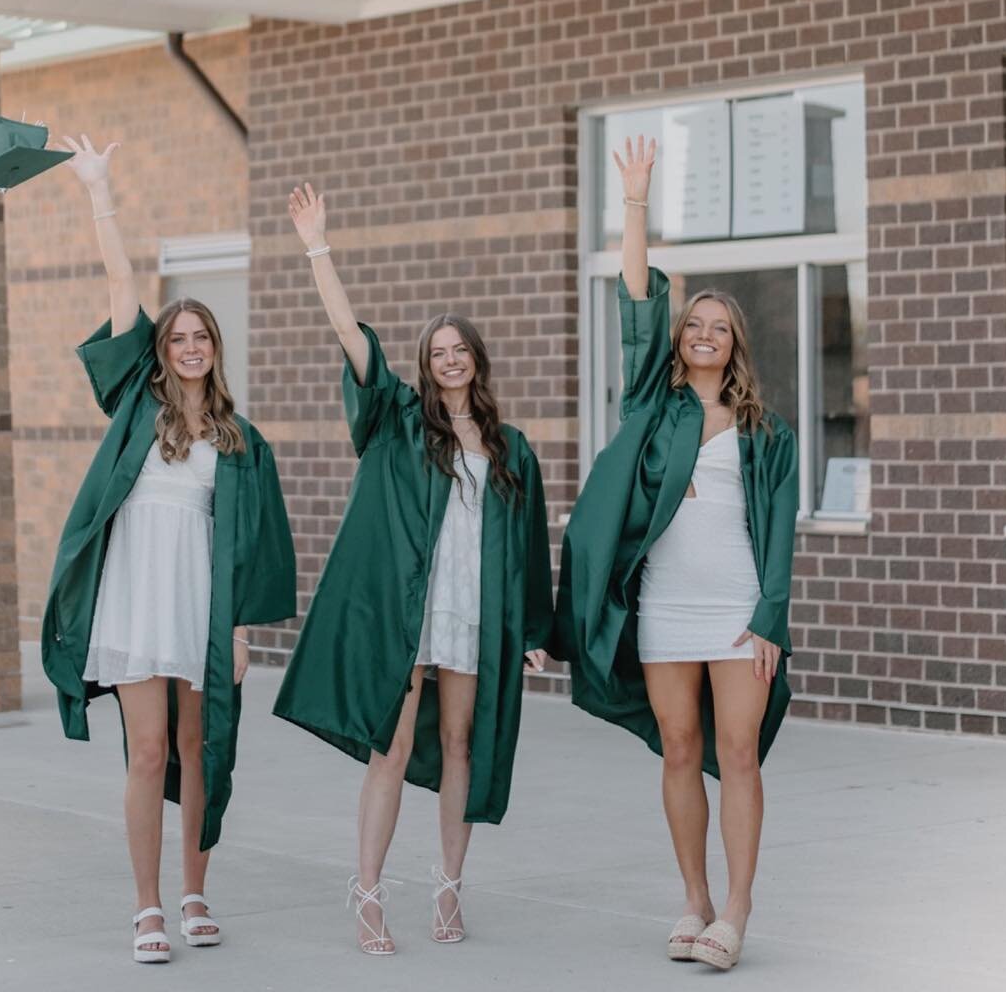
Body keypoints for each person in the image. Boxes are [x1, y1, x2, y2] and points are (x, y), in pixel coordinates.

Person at [274, 183, 554, 955]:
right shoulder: (396, 419)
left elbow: (529, 543)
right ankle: (367, 892)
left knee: (463, 744)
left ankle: (449, 891)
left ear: (477, 360)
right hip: (411, 609)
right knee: (391, 748)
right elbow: (349, 335)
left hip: (476, 609)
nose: (450, 360)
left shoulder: (511, 449)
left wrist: (532, 625)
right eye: (437, 353)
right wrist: (318, 246)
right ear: (426, 368)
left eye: (459, 349)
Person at [41, 135, 296, 964]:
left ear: (215, 350)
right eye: (178, 337)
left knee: (200, 747)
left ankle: (194, 894)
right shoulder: (131, 409)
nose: (189, 347)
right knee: (147, 750)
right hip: (135, 603)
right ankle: (147, 906)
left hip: (201, 609)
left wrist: (241, 631)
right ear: (161, 350)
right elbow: (122, 282)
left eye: (201, 338)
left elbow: (252, 548)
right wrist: (99, 190)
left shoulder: (238, 441)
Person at [557, 137, 799, 973]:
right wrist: (634, 202)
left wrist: (771, 614)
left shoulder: (767, 435)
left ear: (736, 345)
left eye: (717, 328)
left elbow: (780, 530)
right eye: (692, 325)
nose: (701, 335)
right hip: (664, 604)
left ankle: (736, 910)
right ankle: (694, 898)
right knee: (681, 748)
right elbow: (634, 302)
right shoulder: (651, 406)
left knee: (738, 753)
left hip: (736, 607)